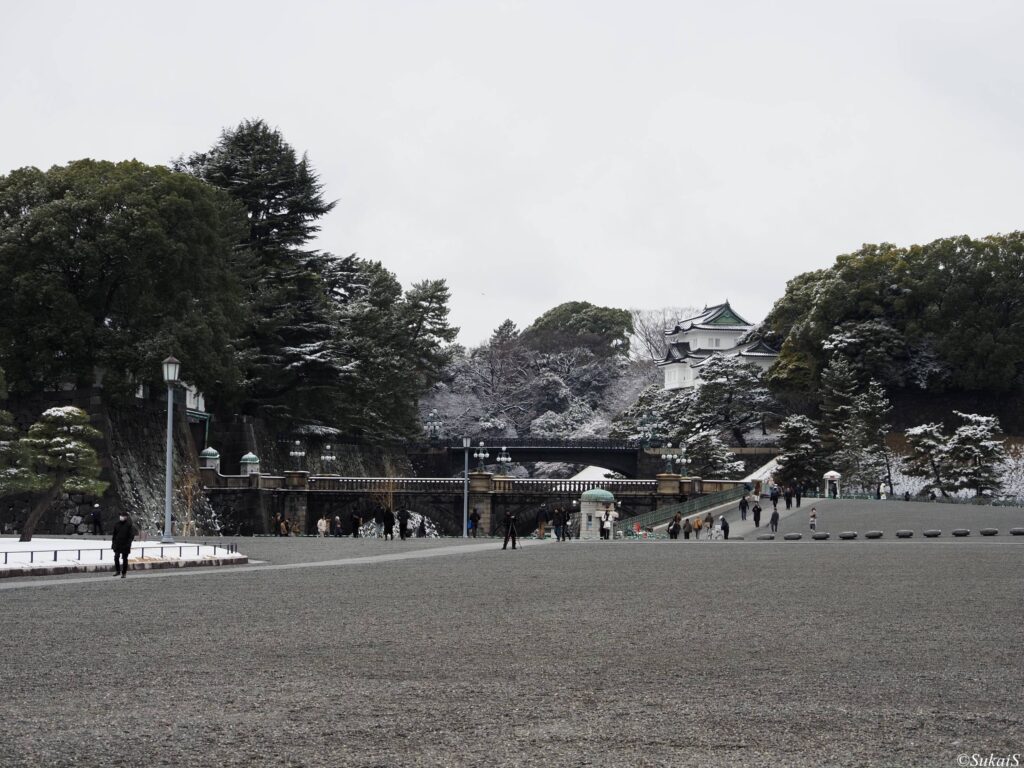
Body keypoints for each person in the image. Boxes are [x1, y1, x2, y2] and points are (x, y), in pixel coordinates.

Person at [111, 513, 135, 578]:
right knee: (116, 557)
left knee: (124, 559)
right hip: (118, 544)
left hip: (125, 544)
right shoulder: (117, 524)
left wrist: (128, 544)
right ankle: (117, 571)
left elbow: (131, 536)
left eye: (123, 516)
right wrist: (113, 544)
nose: (121, 517)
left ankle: (124, 573)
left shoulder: (129, 525)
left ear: (126, 517)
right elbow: (114, 535)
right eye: (121, 516)